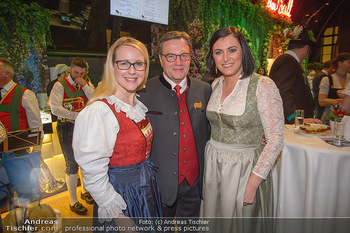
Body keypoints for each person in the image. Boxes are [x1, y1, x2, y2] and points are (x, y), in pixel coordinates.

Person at [73, 37, 162, 230]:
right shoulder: (100, 111)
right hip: (121, 194)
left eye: (138, 64)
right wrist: (118, 215)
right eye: (124, 63)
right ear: (112, 68)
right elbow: (92, 170)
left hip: (143, 191)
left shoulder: (136, 105)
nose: (132, 70)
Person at [200, 27, 284, 232]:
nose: (225, 58)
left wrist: (253, 183)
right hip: (214, 166)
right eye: (218, 52)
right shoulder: (215, 85)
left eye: (232, 50)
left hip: (245, 170)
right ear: (212, 57)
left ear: (243, 51)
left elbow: (275, 139)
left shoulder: (262, 85)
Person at [138, 31, 211, 218]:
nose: (178, 62)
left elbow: (216, 129)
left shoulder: (205, 90)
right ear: (161, 59)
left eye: (184, 56)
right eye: (170, 56)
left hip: (194, 186)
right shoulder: (142, 92)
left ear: (190, 58)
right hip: (160, 187)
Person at [49, 57, 95, 215]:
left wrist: (85, 86)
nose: (78, 76)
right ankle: (72, 201)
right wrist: (77, 116)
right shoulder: (59, 85)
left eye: (82, 73)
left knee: (85, 161)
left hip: (83, 127)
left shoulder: (86, 83)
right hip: (66, 127)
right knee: (72, 163)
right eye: (76, 72)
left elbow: (96, 100)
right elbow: (55, 109)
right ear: (70, 69)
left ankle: (84, 191)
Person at [269, 26, 322, 124]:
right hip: (290, 125)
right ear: (306, 48)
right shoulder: (288, 61)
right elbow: (284, 92)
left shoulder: (289, 61)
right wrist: (295, 119)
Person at [0, 57, 43, 153]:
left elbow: (35, 124)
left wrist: (36, 150)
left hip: (18, 152)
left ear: (7, 74)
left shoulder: (26, 94)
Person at [318, 53, 350, 122]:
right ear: (340, 63)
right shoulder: (327, 79)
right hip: (331, 115)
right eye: (349, 62)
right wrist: (341, 101)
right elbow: (321, 101)